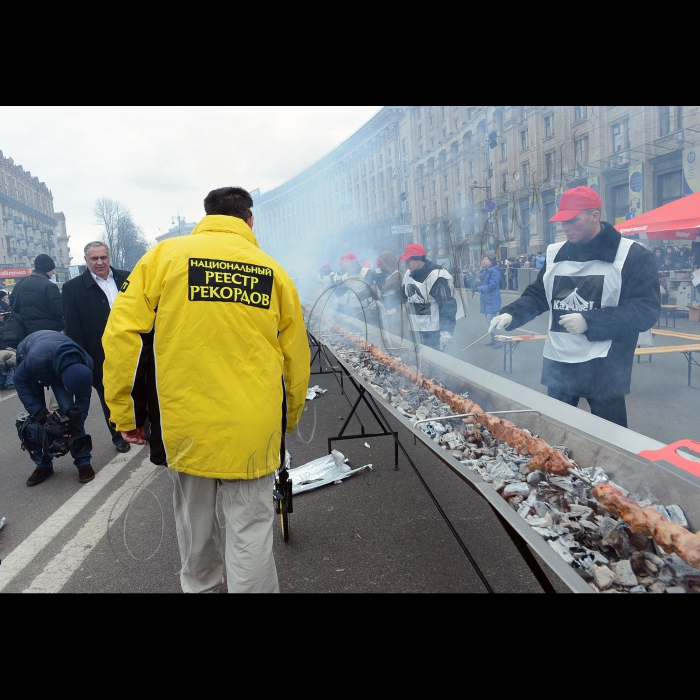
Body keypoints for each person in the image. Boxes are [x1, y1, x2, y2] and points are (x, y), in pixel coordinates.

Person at [103, 186, 310, 594]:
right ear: (250, 221)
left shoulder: (164, 258)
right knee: (250, 528)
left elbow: (122, 335)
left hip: (187, 422)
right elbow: (296, 356)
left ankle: (200, 587)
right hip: (253, 425)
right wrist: (291, 416)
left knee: (194, 526)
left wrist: (124, 414)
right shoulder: (272, 270)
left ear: (206, 217)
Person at [488, 186, 660, 428]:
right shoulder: (555, 253)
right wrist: (510, 314)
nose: (565, 228)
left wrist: (591, 321)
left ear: (594, 216)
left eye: (572, 220)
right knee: (557, 433)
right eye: (561, 222)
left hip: (605, 369)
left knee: (610, 438)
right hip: (560, 364)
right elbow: (539, 294)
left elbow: (646, 310)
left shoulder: (633, 255)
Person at [62, 242, 132, 453]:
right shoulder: (72, 288)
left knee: (137, 388)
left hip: (131, 347)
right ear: (86, 260)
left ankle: (142, 426)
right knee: (108, 395)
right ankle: (118, 434)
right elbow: (73, 329)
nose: (100, 262)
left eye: (103, 257)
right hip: (98, 353)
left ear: (109, 257)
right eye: (94, 259)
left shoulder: (128, 278)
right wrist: (84, 359)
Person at [13, 330, 94, 486]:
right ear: (63, 378)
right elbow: (20, 381)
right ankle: (43, 465)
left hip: (56, 361)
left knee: (72, 414)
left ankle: (83, 462)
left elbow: (83, 400)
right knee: (37, 423)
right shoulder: (36, 360)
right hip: (31, 357)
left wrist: (74, 424)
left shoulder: (85, 365)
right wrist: (39, 412)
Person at [399, 243, 457, 351]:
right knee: (416, 360)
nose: (406, 265)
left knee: (433, 361)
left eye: (408, 261)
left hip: (432, 330)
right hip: (414, 327)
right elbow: (403, 294)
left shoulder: (436, 276)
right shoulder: (408, 273)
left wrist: (446, 331)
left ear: (419, 260)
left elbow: (447, 304)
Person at [9, 254, 63, 336]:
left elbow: (13, 303)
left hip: (25, 331)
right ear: (47, 269)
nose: (53, 272)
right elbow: (58, 311)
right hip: (49, 331)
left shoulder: (21, 283)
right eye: (52, 269)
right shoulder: (50, 286)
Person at [333, 253, 377, 319]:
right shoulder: (345, 276)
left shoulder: (366, 271)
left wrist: (357, 295)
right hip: (351, 307)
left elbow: (371, 289)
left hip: (366, 307)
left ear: (354, 263)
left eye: (348, 265)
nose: (347, 267)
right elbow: (339, 293)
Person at [475, 253, 503, 348]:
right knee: (489, 321)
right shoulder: (485, 271)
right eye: (483, 259)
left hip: (492, 299)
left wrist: (478, 289)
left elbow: (492, 285)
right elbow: (485, 283)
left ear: (491, 261)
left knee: (492, 321)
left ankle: (499, 341)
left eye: (486, 259)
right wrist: (479, 282)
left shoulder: (494, 271)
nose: (483, 261)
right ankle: (494, 340)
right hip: (487, 299)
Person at [374, 251, 402, 335]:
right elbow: (375, 289)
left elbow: (383, 287)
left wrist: (378, 274)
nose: (380, 266)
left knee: (394, 335)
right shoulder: (386, 274)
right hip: (386, 310)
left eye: (381, 264)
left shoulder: (397, 275)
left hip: (394, 311)